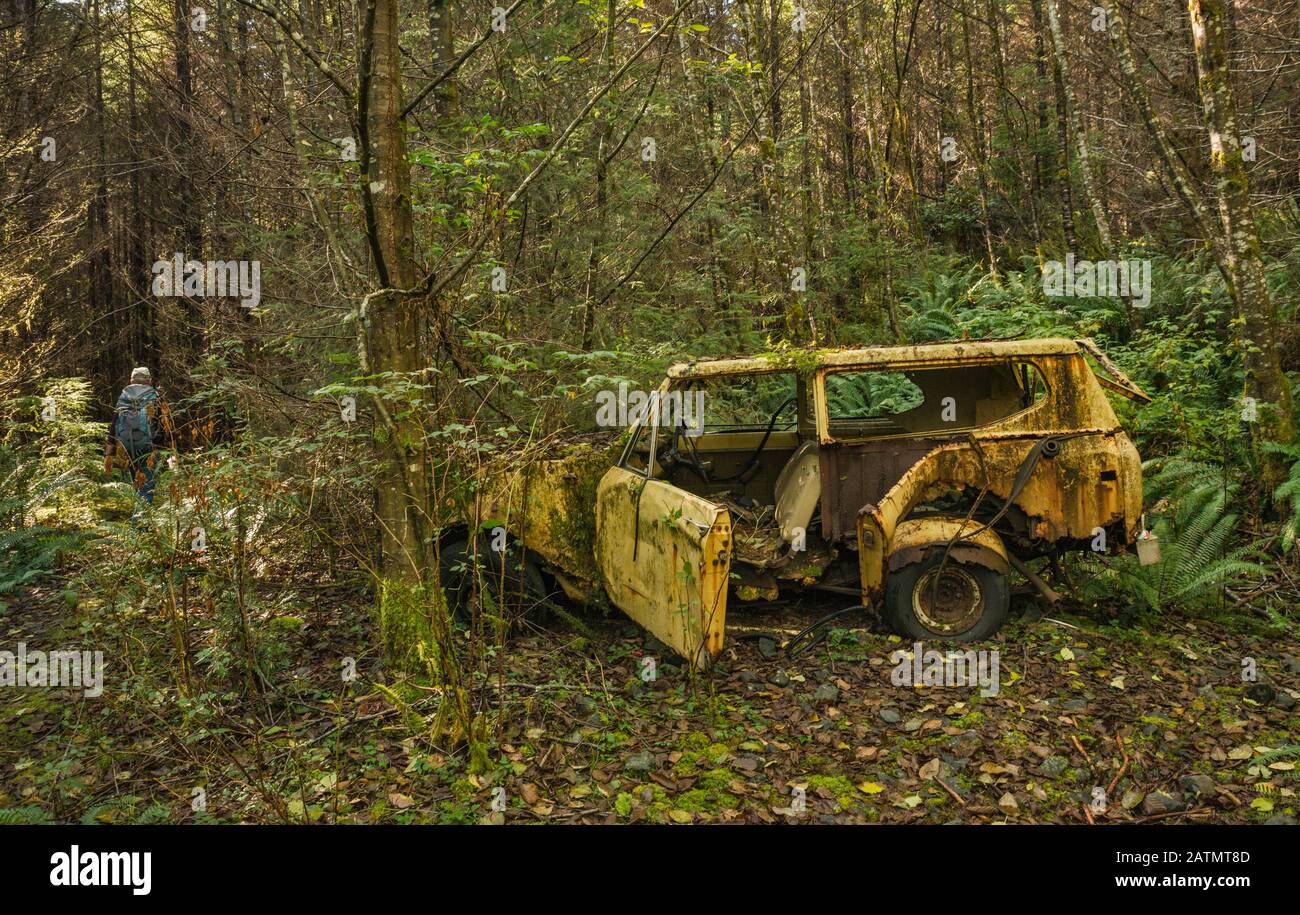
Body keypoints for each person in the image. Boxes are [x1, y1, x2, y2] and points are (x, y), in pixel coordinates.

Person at [107, 367, 169, 505]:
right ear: (149, 380)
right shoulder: (156, 396)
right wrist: (168, 450)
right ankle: (140, 525)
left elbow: (114, 424)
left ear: (131, 380)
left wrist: (109, 451)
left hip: (127, 447)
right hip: (149, 447)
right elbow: (166, 425)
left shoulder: (124, 396)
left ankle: (140, 520)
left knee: (137, 483)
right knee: (146, 487)